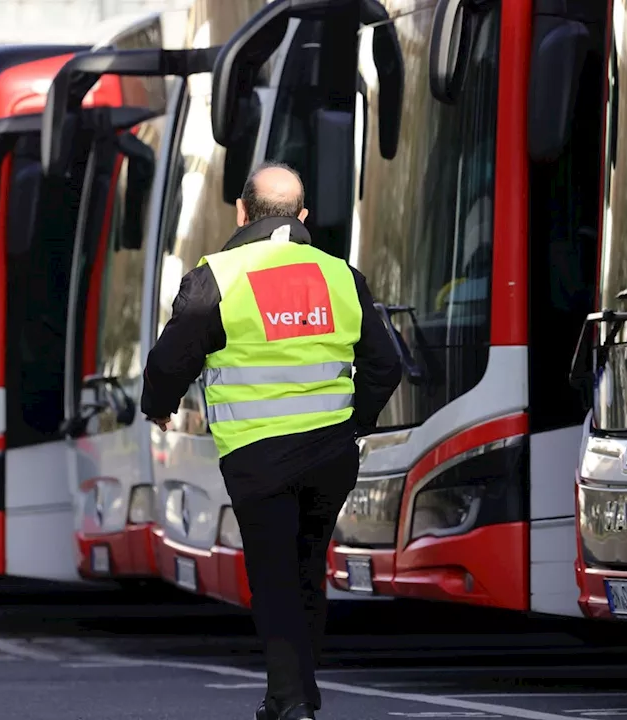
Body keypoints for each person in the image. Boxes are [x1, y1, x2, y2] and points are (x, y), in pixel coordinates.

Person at [141, 162, 402, 720]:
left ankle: (292, 701)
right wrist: (354, 422)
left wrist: (157, 407)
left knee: (274, 576)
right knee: (308, 569)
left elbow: (170, 358)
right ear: (302, 217)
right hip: (331, 454)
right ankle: (295, 694)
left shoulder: (219, 277)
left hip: (258, 455)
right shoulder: (341, 276)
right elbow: (385, 365)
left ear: (241, 212)